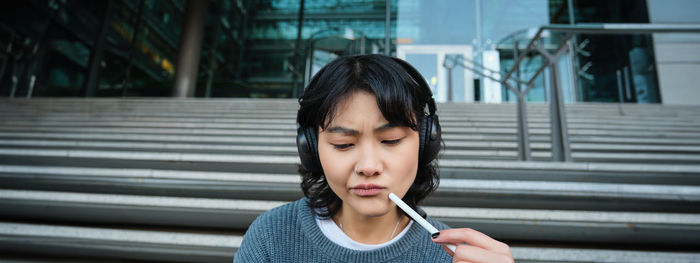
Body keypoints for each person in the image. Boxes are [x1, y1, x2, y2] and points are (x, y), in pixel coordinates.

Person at [234, 54, 513, 262]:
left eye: (391, 140)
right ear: (310, 148)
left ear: (426, 142)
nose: (368, 167)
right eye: (343, 144)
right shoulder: (272, 236)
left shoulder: (454, 256)